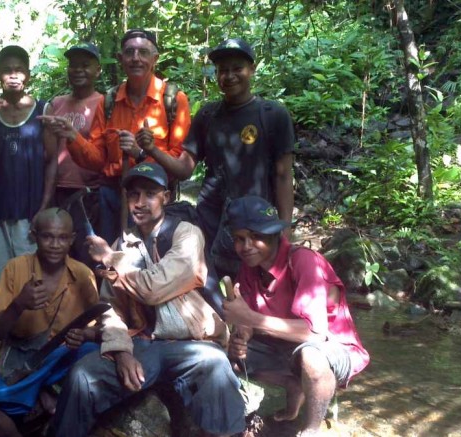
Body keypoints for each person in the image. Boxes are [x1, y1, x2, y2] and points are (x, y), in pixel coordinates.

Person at [52, 162, 246, 437]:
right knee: (82, 376)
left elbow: (154, 287)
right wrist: (121, 353)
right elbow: (111, 309)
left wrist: (110, 258)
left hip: (190, 343)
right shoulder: (124, 244)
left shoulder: (187, 234)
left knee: (214, 364)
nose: (139, 203)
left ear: (166, 197)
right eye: (133, 195)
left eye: (150, 194)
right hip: (143, 343)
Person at [221, 195, 369, 436]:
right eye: (239, 239)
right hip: (281, 345)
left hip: (331, 346)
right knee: (225, 354)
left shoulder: (303, 261)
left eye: (256, 237)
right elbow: (247, 318)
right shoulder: (249, 268)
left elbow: (315, 333)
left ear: (274, 235)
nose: (246, 246)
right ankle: (293, 385)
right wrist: (242, 336)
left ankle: (311, 428)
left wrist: (251, 319)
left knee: (311, 357)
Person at [151, 38, 295, 282]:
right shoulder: (208, 114)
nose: (229, 76)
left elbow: (283, 175)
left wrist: (285, 228)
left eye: (237, 68)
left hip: (254, 218)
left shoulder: (273, 115)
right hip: (211, 217)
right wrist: (152, 150)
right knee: (210, 279)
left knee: (253, 283)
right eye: (222, 70)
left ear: (252, 70)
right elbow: (186, 168)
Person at [41, 29, 191, 244]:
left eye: (143, 52)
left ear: (154, 58)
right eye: (129, 52)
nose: (136, 58)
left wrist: (144, 152)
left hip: (154, 197)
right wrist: (73, 136)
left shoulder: (174, 100)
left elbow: (180, 165)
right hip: (112, 195)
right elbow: (97, 160)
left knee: (152, 260)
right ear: (121, 59)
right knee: (110, 259)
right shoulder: (109, 101)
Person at [0, 208, 99, 436]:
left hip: (62, 355)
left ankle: (45, 391)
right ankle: (38, 394)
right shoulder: (16, 268)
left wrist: (85, 335)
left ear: (72, 239)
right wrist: (18, 305)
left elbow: (100, 329)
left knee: (97, 355)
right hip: (22, 356)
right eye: (47, 236)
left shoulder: (84, 275)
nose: (55, 245)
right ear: (34, 235)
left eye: (62, 238)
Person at [0, 45, 58, 295]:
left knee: (30, 285)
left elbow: (52, 161)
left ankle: (29, 334)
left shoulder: (43, 111)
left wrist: (43, 209)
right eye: (7, 70)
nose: (13, 75)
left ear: (28, 75)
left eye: (19, 70)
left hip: (28, 217)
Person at [42, 43, 104, 268]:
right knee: (56, 256)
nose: (78, 70)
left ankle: (90, 301)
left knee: (87, 256)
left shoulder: (103, 104)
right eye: (73, 65)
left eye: (85, 65)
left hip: (88, 194)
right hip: (58, 190)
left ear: (98, 70)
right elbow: (49, 151)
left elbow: (102, 151)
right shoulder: (56, 104)